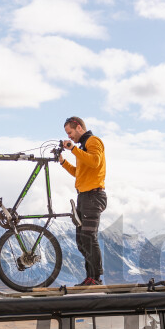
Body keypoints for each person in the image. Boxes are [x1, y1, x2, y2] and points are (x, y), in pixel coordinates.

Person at [60, 116, 107, 286]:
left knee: (89, 236)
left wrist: (72, 149)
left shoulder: (93, 141)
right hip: (84, 196)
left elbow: (95, 162)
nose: (69, 136)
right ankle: (90, 277)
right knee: (81, 240)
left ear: (79, 127)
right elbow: (79, 173)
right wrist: (63, 162)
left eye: (70, 132)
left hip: (93, 196)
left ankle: (96, 278)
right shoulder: (81, 148)